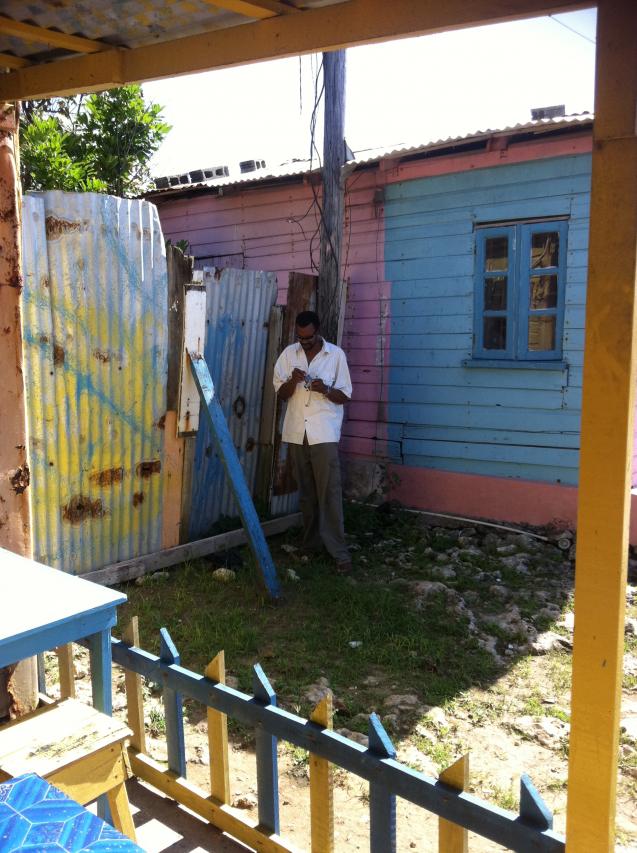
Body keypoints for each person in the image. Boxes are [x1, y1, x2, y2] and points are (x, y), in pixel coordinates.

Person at [273, 310, 353, 573]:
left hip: (324, 433)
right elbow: (281, 394)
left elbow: (345, 396)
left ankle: (338, 551)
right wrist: (292, 381)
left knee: (329, 492)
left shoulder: (335, 356)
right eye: (300, 337)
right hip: (297, 432)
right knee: (307, 494)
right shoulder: (289, 354)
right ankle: (310, 545)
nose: (304, 342)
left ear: (318, 332)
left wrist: (326, 390)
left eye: (308, 338)